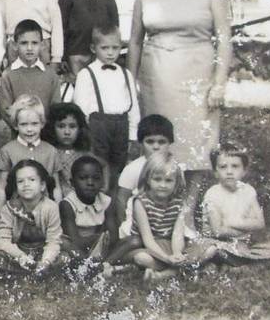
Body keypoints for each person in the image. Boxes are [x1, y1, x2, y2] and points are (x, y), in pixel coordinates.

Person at [127, 0, 232, 231]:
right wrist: (129, 83)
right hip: (155, 78)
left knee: (197, 144)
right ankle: (159, 211)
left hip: (197, 78)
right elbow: (134, 40)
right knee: (160, 142)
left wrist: (219, 81)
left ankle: (188, 214)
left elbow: (224, 39)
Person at [127, 151, 217, 283]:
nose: (163, 185)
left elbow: (177, 234)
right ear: (147, 178)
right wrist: (167, 258)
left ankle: (163, 274)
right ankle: (190, 269)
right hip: (151, 247)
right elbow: (148, 239)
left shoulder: (178, 202)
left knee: (211, 249)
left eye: (168, 180)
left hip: (172, 244)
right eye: (157, 179)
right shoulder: (140, 202)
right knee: (141, 258)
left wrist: (177, 254)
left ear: (176, 181)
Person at [72, 25, 140, 192]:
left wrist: (132, 135)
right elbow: (81, 108)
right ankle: (99, 203)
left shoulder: (126, 74)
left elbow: (133, 105)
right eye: (105, 48)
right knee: (99, 167)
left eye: (115, 48)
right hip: (98, 126)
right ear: (93, 48)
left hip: (121, 125)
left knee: (120, 168)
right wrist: (86, 133)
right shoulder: (86, 74)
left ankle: (116, 205)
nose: (110, 53)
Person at [199, 145, 270, 266]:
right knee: (214, 250)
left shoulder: (248, 191)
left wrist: (232, 222)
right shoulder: (212, 194)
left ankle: (237, 263)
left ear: (244, 171)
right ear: (215, 172)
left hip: (241, 245)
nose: (229, 171)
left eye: (235, 166)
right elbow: (218, 231)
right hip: (216, 243)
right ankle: (240, 263)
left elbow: (259, 223)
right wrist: (245, 228)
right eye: (223, 167)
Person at [0, 160, 63, 277]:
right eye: (20, 181)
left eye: (32, 180)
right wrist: (21, 256)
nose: (26, 184)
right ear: (16, 186)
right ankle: (31, 273)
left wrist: (45, 261)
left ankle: (37, 271)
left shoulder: (51, 207)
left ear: (42, 185)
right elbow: (2, 240)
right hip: (19, 253)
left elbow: (53, 240)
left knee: (63, 257)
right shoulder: (8, 208)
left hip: (43, 252)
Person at [57, 0, 119, 78]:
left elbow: (114, 28)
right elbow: (60, 29)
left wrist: (111, 50)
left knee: (99, 86)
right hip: (76, 53)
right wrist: (61, 56)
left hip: (101, 54)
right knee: (80, 86)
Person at [114, 114, 175, 240]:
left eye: (162, 142)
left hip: (166, 222)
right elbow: (121, 200)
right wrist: (124, 223)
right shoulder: (133, 169)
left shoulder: (175, 168)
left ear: (170, 142)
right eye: (150, 142)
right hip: (139, 223)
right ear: (141, 143)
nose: (156, 147)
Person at [0, 95, 58, 212]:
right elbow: (1, 189)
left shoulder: (51, 151)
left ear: (42, 123)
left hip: (45, 212)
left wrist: (58, 216)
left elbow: (56, 188)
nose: (29, 129)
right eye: (24, 124)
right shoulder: (7, 151)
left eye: (34, 124)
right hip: (16, 210)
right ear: (15, 125)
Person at [0, 19, 62, 128]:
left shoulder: (51, 75)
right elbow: (6, 110)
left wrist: (41, 128)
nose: (29, 48)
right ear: (14, 45)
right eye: (24, 43)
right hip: (19, 135)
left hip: (46, 136)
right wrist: (22, 129)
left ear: (42, 45)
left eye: (34, 43)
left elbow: (56, 108)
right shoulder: (8, 75)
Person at [59, 155, 117, 265]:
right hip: (76, 248)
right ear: (72, 183)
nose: (90, 182)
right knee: (65, 246)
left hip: (100, 248)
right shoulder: (67, 204)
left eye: (96, 178)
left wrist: (102, 241)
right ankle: (91, 265)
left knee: (133, 241)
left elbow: (113, 238)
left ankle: (103, 264)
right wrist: (99, 238)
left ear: (102, 181)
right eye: (83, 178)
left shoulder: (106, 201)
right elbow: (75, 242)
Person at [43, 102, 97, 199]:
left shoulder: (84, 153)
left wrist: (102, 188)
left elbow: (104, 166)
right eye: (61, 126)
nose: (67, 132)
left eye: (72, 127)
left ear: (80, 129)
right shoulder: (50, 152)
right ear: (52, 128)